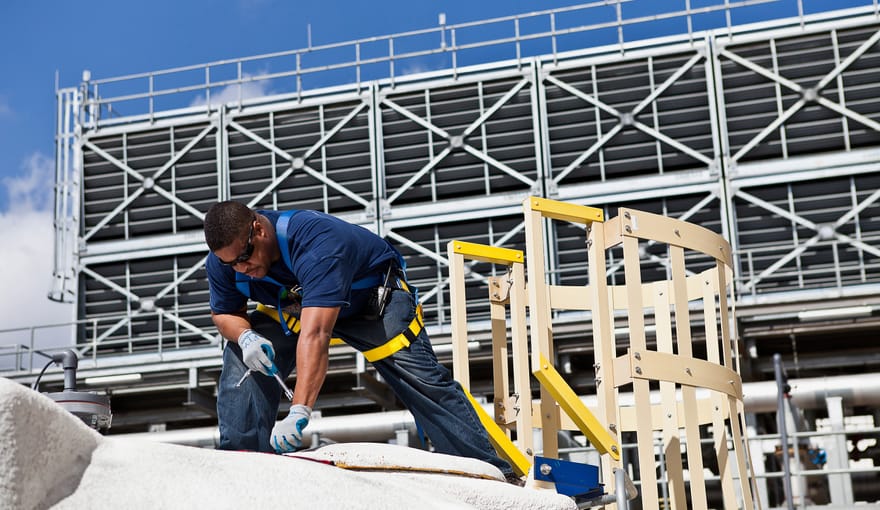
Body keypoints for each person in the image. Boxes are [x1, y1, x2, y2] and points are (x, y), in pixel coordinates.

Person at [203, 201, 514, 479]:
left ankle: (486, 473)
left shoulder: (316, 242)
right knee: (241, 361)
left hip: (373, 303)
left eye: (244, 257)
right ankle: (243, 470)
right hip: (296, 307)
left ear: (258, 229)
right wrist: (245, 337)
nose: (241, 268)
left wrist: (299, 411)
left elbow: (316, 334)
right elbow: (225, 313)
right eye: (231, 264)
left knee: (423, 382)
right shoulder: (224, 259)